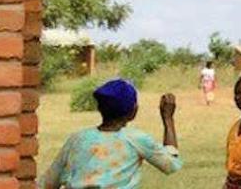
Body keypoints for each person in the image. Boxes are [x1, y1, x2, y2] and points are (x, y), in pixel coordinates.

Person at [41, 79, 182, 188]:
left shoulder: (77, 139)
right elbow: (171, 164)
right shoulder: (135, 139)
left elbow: (48, 183)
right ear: (133, 112)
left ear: (99, 108)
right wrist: (168, 119)